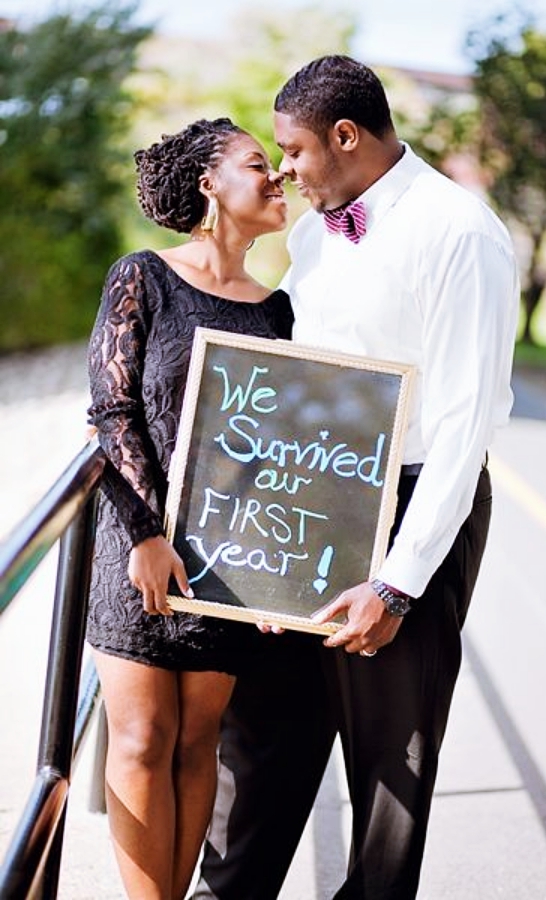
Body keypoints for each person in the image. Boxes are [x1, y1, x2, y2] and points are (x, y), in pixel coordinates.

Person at [194, 56, 520, 900]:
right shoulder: (312, 232)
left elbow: (462, 429)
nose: (286, 170)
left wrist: (398, 584)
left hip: (411, 506)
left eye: (294, 151)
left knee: (389, 760)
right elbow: (292, 386)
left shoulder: (460, 232)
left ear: (346, 136)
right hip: (309, 504)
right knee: (264, 731)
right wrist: (263, 549)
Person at [86, 117, 295, 900]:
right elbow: (112, 411)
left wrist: (289, 577)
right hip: (139, 548)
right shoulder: (143, 275)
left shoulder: (278, 310)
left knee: (197, 743)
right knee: (141, 740)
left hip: (229, 558)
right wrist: (144, 532)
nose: (276, 176)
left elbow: (283, 454)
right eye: (256, 163)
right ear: (210, 184)